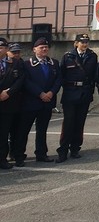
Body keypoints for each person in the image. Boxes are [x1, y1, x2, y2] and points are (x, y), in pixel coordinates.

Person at [14, 37, 62, 166]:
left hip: (47, 102)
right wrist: (40, 93)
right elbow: (26, 82)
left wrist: (51, 92)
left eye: (46, 47)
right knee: (24, 130)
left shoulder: (54, 63)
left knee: (42, 129)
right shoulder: (27, 64)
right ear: (34, 49)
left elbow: (58, 80)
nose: (45, 49)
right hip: (31, 102)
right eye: (41, 47)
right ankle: (19, 155)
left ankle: (41, 154)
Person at [57, 33, 98, 162]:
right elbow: (61, 75)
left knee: (80, 123)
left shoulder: (92, 56)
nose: (84, 44)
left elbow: (94, 75)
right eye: (82, 42)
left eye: (86, 42)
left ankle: (75, 148)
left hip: (84, 93)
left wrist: (90, 91)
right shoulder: (68, 56)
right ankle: (63, 150)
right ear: (76, 43)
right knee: (68, 123)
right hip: (70, 93)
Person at [0, 39, 25, 169]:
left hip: (9, 102)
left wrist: (8, 92)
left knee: (4, 133)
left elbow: (20, 80)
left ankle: (2, 159)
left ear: (6, 49)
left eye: (2, 47)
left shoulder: (15, 63)